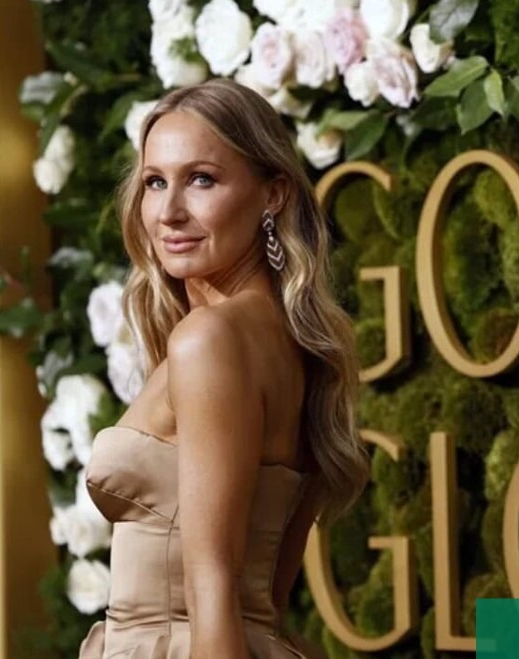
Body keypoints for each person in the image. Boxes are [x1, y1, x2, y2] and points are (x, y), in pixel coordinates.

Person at [78, 78, 370, 659]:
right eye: (155, 182)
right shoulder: (297, 347)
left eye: (202, 180)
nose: (169, 212)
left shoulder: (210, 340)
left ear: (273, 194)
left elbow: (211, 586)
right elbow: (267, 602)